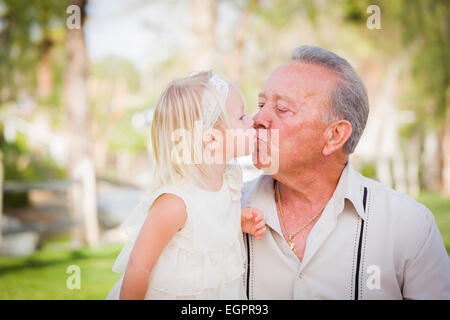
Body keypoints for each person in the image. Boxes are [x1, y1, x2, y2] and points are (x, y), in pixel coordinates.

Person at [243, 45, 450, 299]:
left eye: (282, 109)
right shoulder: (224, 209)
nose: (257, 118)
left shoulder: (410, 226)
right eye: (261, 103)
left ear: (335, 136)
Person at [107, 71, 266, 300]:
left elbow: (204, 225)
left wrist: (234, 221)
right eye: (241, 117)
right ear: (211, 139)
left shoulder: (228, 181)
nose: (252, 121)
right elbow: (138, 266)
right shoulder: (175, 203)